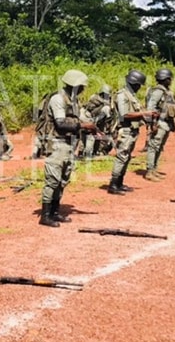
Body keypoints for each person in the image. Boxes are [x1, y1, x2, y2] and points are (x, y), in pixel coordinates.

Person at [39, 69, 97, 226]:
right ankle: (45, 216)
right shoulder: (58, 99)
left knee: (63, 181)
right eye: (82, 86)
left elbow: (78, 120)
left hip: (69, 144)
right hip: (57, 144)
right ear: (75, 86)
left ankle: (55, 212)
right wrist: (84, 125)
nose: (84, 89)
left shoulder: (74, 101)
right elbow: (61, 123)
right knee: (53, 180)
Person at [107, 69, 155, 195]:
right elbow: (125, 115)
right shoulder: (122, 95)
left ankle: (119, 183)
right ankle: (113, 184)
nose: (139, 87)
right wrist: (144, 114)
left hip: (132, 130)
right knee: (121, 157)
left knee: (126, 157)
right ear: (133, 83)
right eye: (139, 84)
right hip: (125, 130)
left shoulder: (130, 95)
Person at [142, 67, 175, 181]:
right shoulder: (158, 91)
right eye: (169, 79)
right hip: (159, 122)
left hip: (166, 123)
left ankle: (154, 169)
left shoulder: (166, 91)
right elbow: (150, 108)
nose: (170, 81)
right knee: (153, 147)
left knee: (159, 147)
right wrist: (152, 123)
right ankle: (149, 171)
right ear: (165, 79)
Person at [79, 84, 113, 159]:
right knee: (93, 135)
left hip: (83, 115)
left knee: (83, 135)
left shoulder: (93, 96)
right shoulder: (106, 105)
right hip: (90, 119)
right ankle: (90, 154)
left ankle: (82, 152)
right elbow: (108, 119)